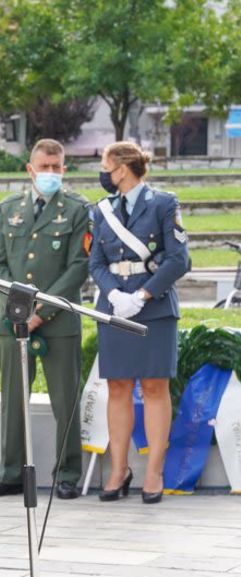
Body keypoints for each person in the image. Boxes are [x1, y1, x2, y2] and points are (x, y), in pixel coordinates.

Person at [0, 138, 89, 500]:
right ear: (30, 169)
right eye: (44, 167)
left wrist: (41, 312)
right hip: (13, 323)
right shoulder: (8, 208)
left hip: (59, 323)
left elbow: (78, 267)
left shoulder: (77, 209)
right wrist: (20, 311)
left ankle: (68, 473)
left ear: (64, 169)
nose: (51, 174)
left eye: (57, 168)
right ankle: (10, 473)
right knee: (12, 401)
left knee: (65, 401)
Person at [89, 141, 189, 504]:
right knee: (117, 386)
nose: (102, 172)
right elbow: (95, 262)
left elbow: (178, 260)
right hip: (115, 306)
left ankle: (154, 472)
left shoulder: (164, 203)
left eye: (105, 164)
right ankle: (119, 470)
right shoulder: (102, 210)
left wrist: (142, 296)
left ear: (122, 169)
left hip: (155, 307)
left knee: (153, 387)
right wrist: (115, 296)